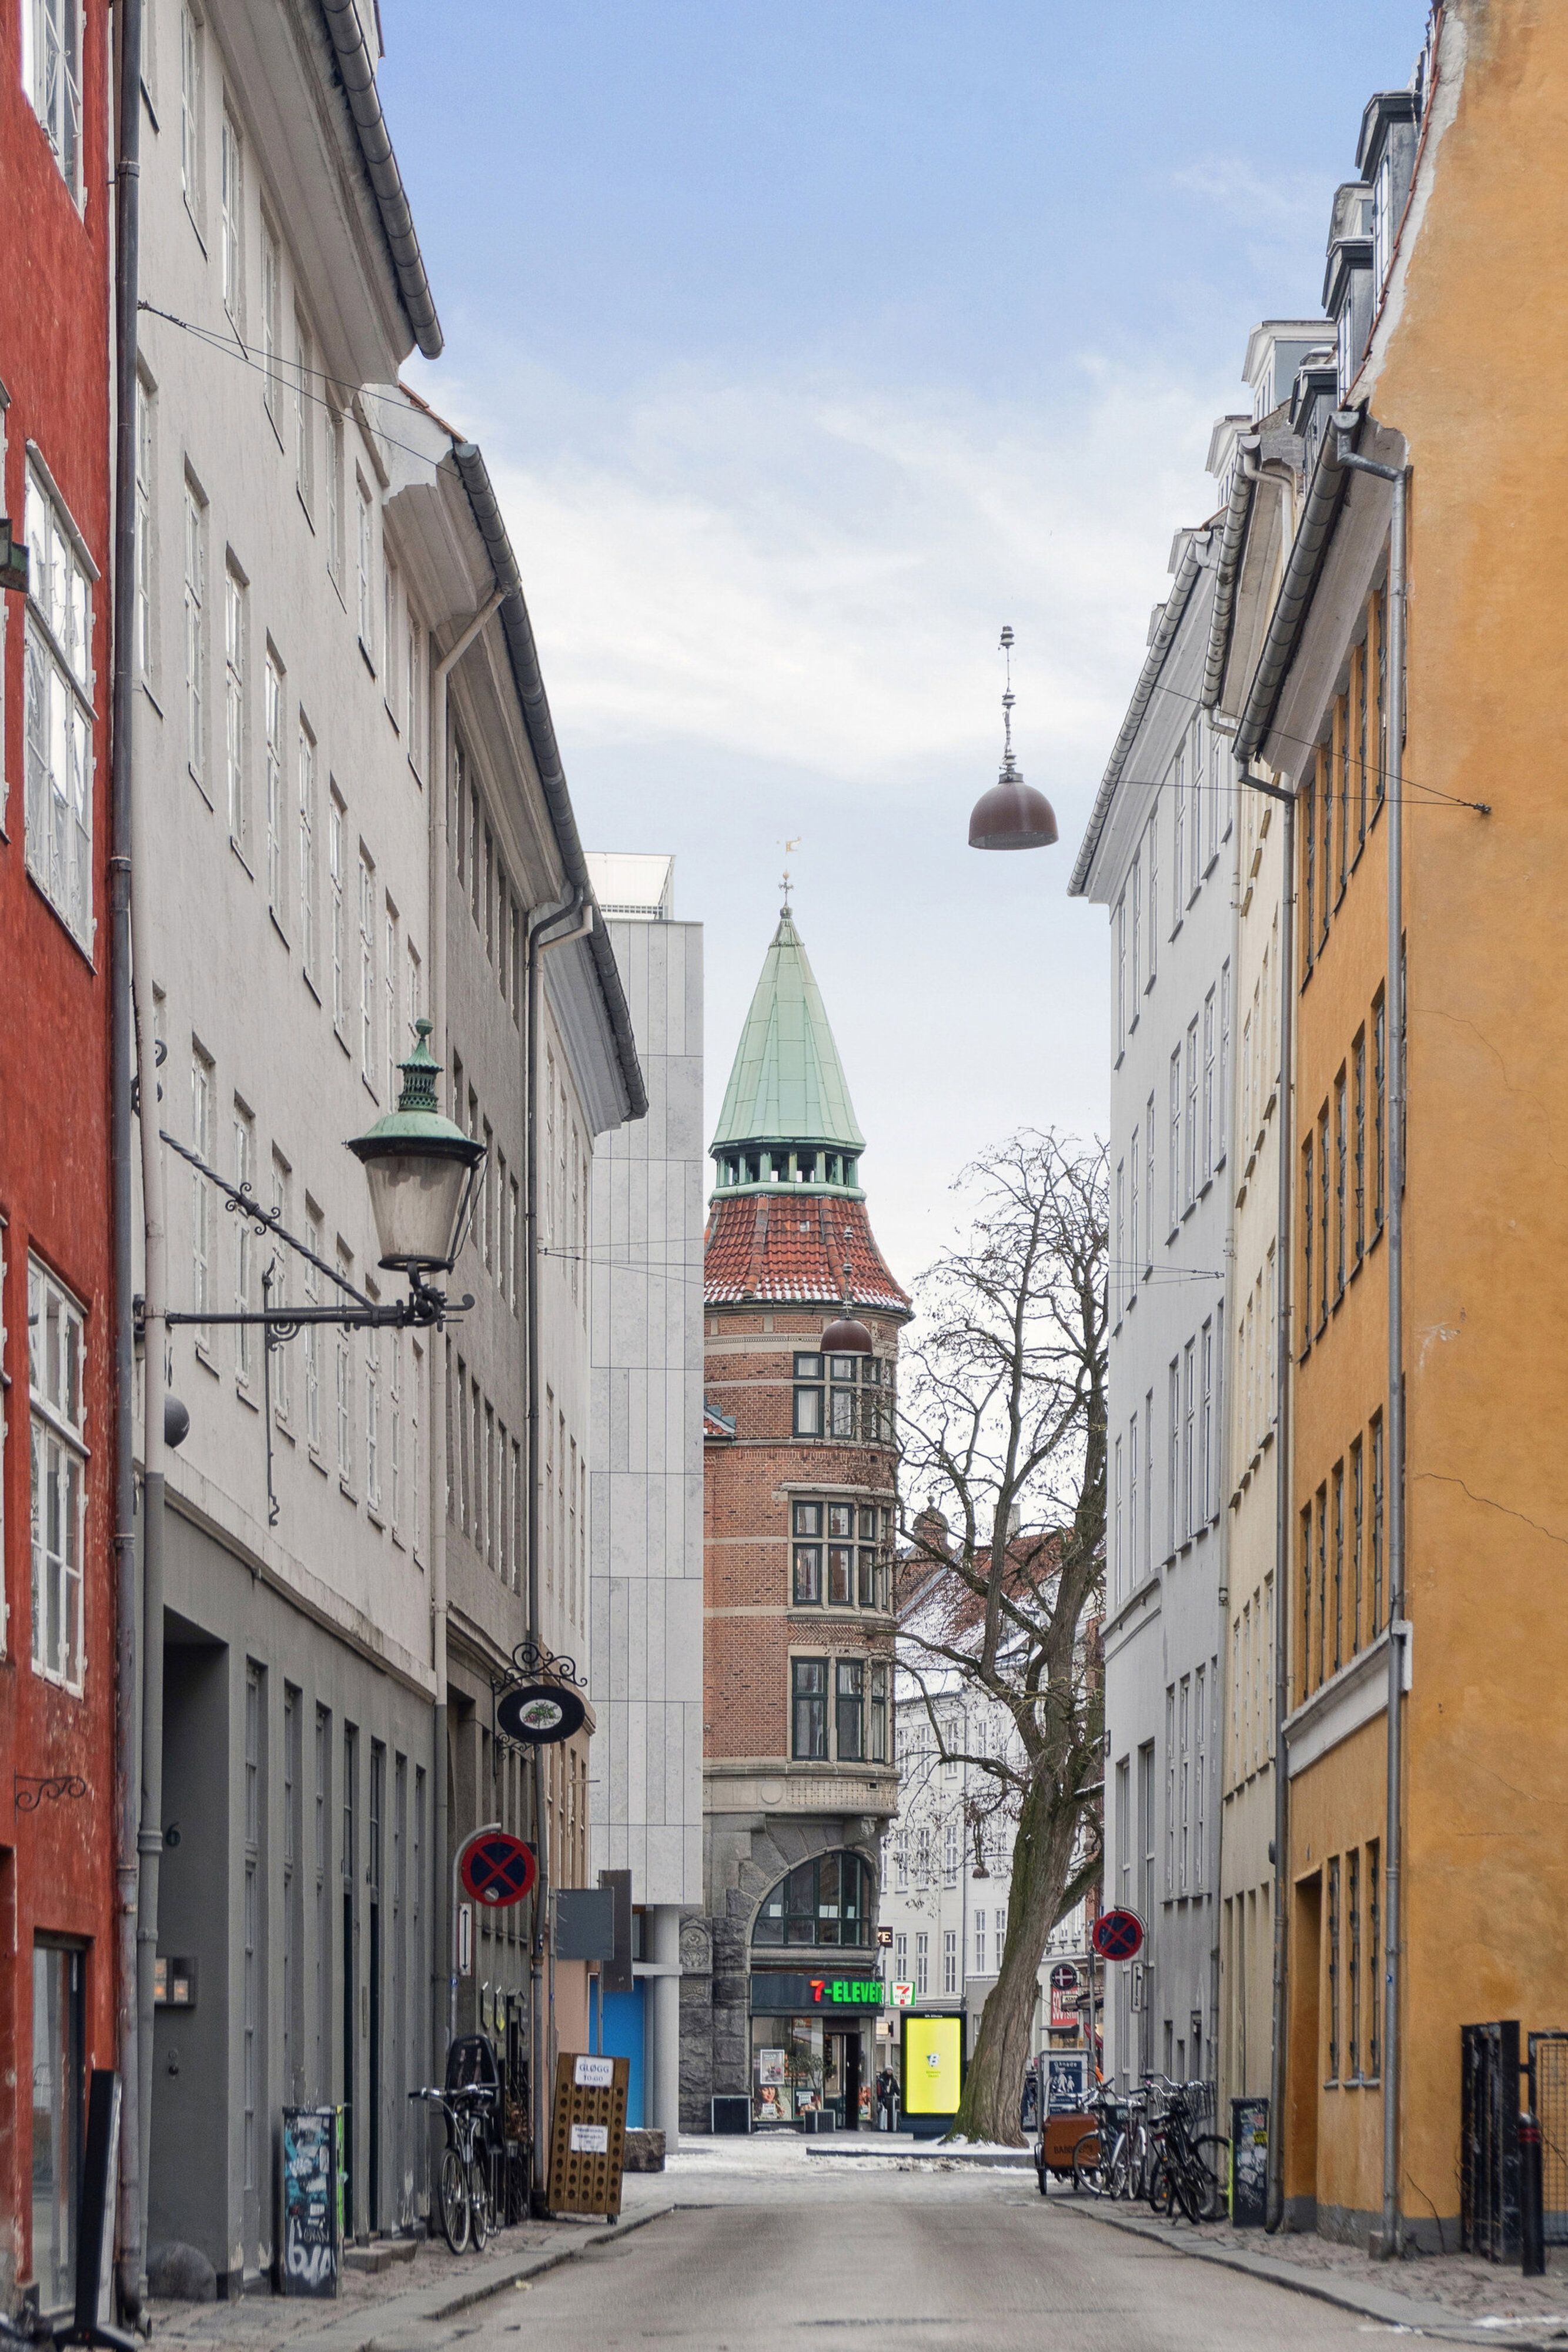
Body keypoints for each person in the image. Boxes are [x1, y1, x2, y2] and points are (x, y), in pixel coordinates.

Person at [875, 2066, 898, 2132]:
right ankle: (883, 2127)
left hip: (891, 2100)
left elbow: (897, 2090)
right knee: (884, 2112)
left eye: (891, 2070)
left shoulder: (893, 2081)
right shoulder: (881, 2079)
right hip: (883, 2099)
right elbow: (880, 2090)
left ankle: (890, 2127)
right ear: (886, 2070)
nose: (890, 2071)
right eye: (888, 2070)